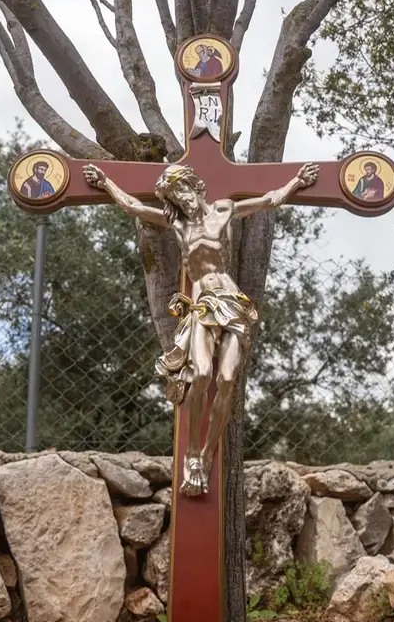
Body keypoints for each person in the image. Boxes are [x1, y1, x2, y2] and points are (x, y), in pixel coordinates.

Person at [82, 160, 318, 496]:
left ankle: (207, 455)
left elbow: (270, 200)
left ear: (194, 186)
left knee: (226, 380)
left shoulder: (223, 209)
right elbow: (131, 206)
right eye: (174, 194)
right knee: (202, 374)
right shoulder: (176, 224)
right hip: (202, 304)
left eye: (183, 188)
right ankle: (191, 455)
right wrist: (105, 182)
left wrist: (297, 181)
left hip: (232, 302)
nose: (181, 197)